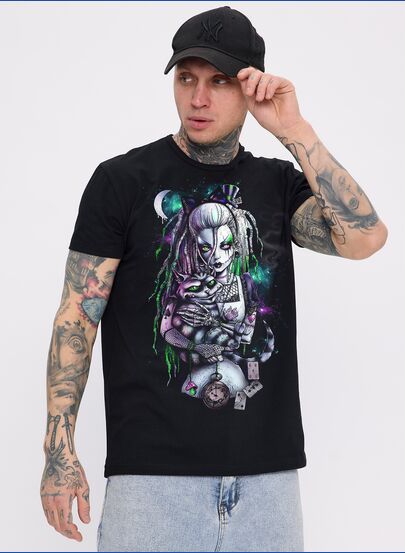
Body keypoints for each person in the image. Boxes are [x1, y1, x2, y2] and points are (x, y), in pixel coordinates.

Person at [40, 5, 388, 552]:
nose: (198, 99)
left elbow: (365, 238)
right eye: (187, 79)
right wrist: (59, 454)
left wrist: (294, 131)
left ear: (250, 88)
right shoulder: (121, 181)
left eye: (219, 82)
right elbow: (76, 319)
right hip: (151, 486)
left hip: (267, 486)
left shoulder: (278, 186)